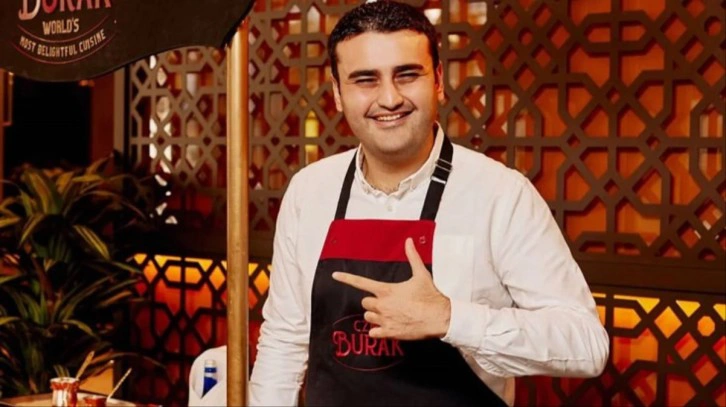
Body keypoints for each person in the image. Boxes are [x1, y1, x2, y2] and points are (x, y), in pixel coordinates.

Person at [249, 1, 609, 406]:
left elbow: (586, 344)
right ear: (337, 93)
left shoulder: (500, 194)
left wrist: (451, 319)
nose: (389, 98)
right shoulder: (309, 191)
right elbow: (284, 341)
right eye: (365, 80)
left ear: (438, 80)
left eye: (407, 75)